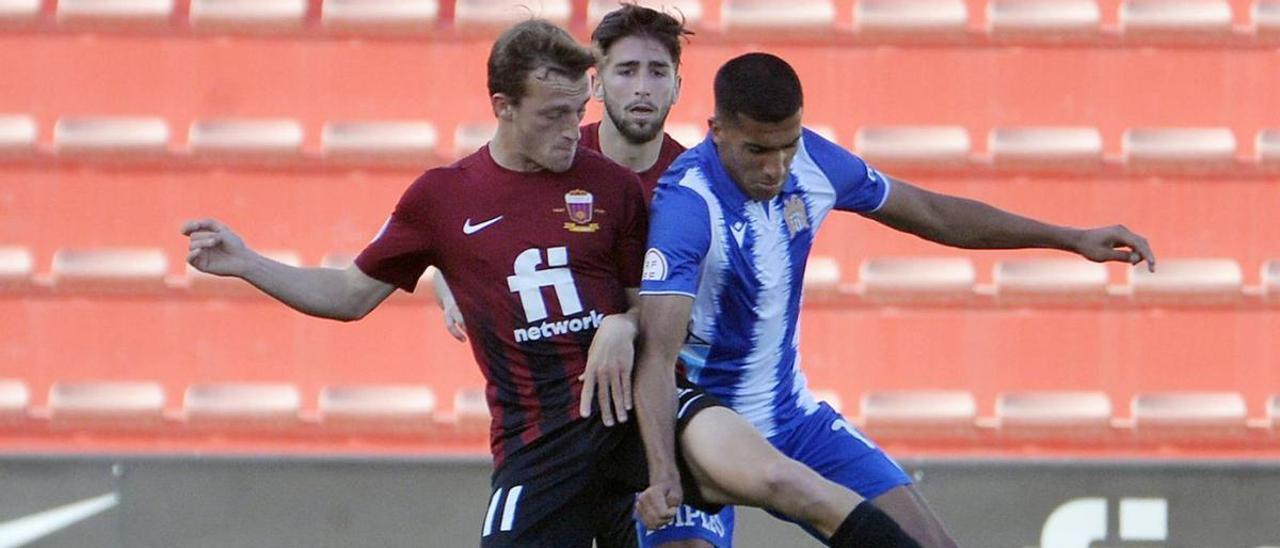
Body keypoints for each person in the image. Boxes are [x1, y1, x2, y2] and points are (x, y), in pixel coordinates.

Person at [184, 21, 919, 548]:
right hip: (543, 442)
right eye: (555, 115)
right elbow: (348, 296)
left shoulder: (615, 188)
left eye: (579, 110)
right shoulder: (443, 198)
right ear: (503, 108)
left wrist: (623, 326)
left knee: (792, 485)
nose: (576, 130)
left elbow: (650, 306)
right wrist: (249, 263)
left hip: (639, 407)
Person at [634, 52, 1158, 548]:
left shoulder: (813, 162)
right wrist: (660, 471)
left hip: (794, 419)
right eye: (757, 150)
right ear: (718, 131)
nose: (776, 167)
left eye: (786, 146)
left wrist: (1069, 238)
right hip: (700, 429)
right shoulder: (688, 205)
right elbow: (657, 358)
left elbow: (931, 212)